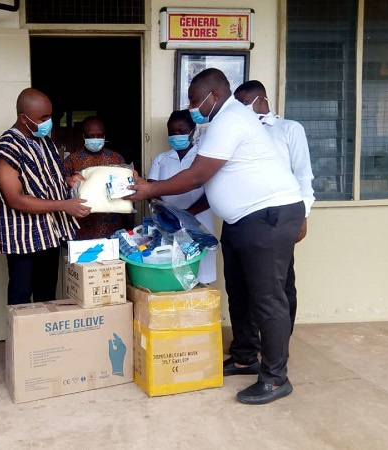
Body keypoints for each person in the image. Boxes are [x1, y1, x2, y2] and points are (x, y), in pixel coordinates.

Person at [128, 68, 305, 405]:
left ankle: (275, 378)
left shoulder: (230, 120)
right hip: (242, 219)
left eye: (195, 100)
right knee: (239, 289)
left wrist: (149, 188)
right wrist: (181, 211)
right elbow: (214, 181)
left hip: (268, 215)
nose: (193, 107)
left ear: (214, 95)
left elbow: (197, 175)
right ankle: (244, 356)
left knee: (267, 297)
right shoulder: (217, 125)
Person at [0, 88, 91, 305]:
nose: (49, 122)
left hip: (47, 233)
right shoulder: (7, 149)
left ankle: (45, 338)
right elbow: (15, 199)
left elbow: (47, 179)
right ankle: (23, 339)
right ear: (23, 118)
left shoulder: (44, 142)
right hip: (22, 237)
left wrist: (68, 181)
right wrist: (64, 205)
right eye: (44, 118)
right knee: (21, 296)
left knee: (47, 294)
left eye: (50, 116)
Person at [234, 79, 315, 333]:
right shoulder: (239, 132)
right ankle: (248, 344)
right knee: (244, 283)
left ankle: (281, 339)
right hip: (246, 217)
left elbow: (303, 174)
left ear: (260, 100)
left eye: (244, 104)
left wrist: (304, 216)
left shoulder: (288, 129)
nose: (240, 110)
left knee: (280, 283)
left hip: (280, 217)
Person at [147, 110, 217, 284]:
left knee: (201, 273)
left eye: (181, 131)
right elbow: (151, 189)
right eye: (172, 132)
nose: (175, 135)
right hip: (168, 223)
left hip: (200, 220)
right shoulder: (161, 159)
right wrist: (170, 214)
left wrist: (188, 214)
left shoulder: (203, 158)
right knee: (174, 274)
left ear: (192, 131)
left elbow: (212, 192)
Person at [63, 116, 131, 239]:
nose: (95, 139)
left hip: (113, 225)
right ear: (83, 136)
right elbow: (61, 188)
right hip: (82, 226)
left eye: (99, 135)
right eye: (90, 136)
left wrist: (129, 225)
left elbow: (127, 191)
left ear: (104, 136)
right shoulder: (71, 160)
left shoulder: (116, 158)